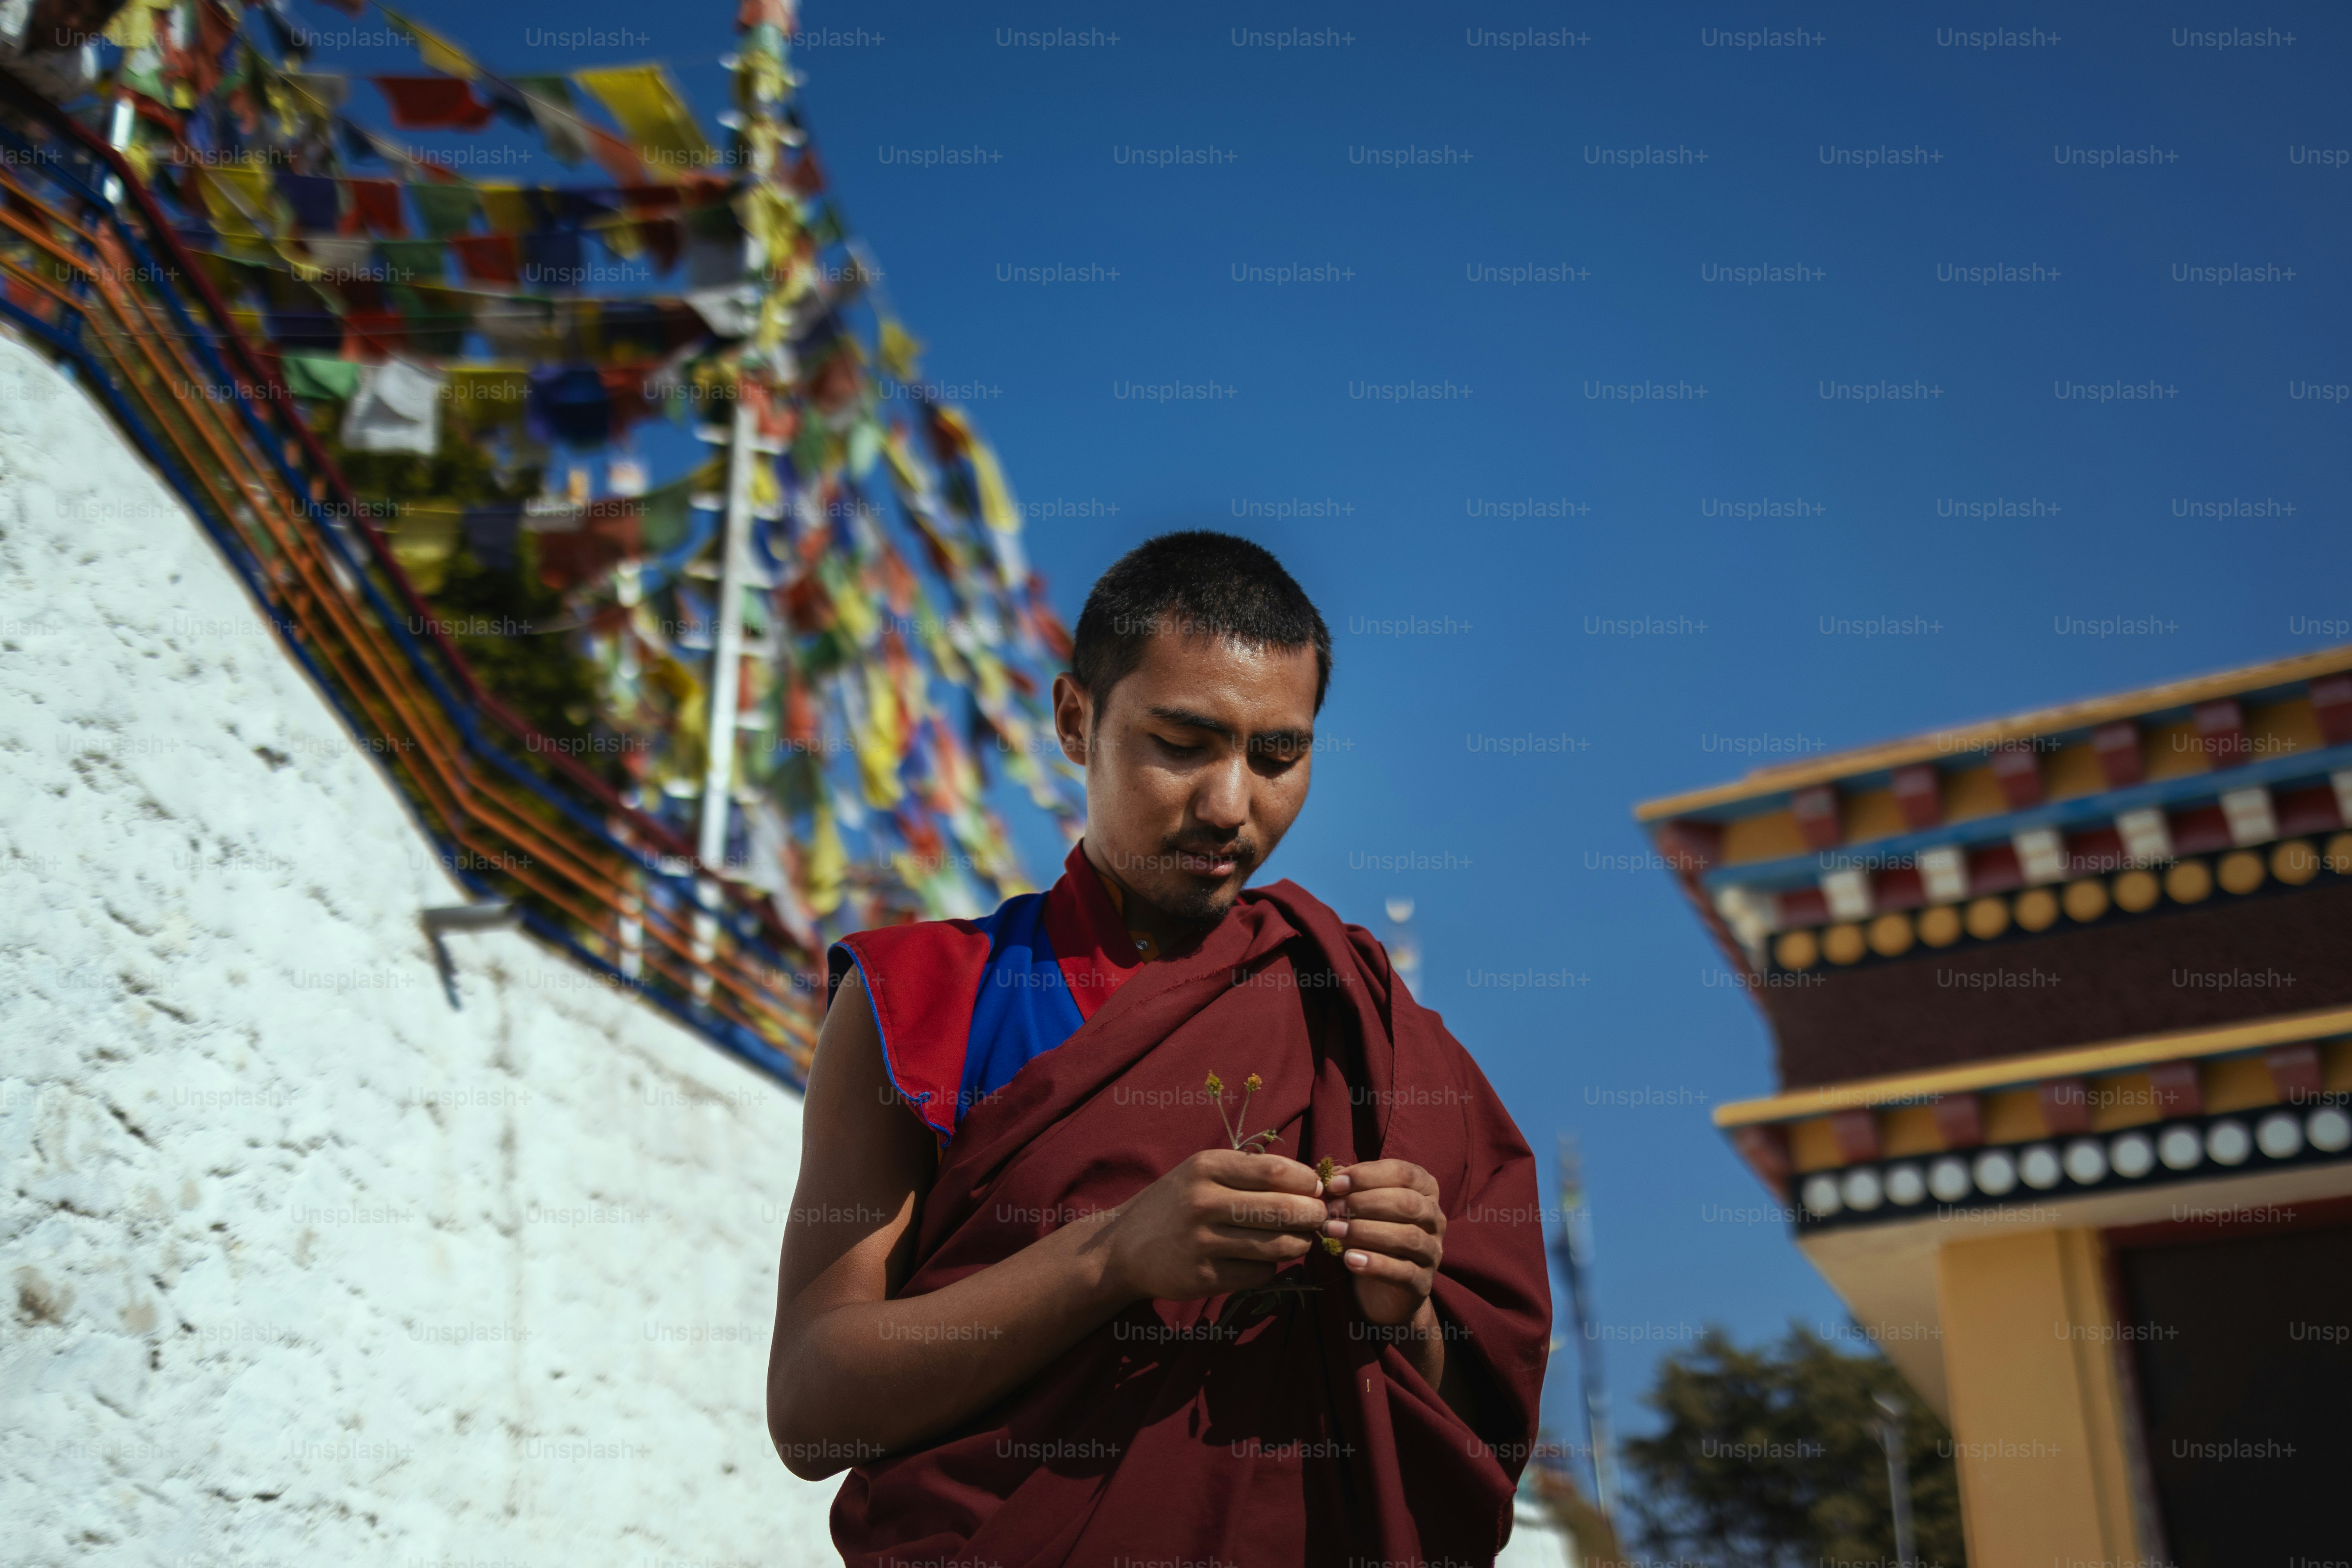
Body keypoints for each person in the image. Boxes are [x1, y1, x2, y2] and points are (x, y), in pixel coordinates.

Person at [766, 531, 1550, 1566]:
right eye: (1183, 743)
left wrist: (1401, 1318)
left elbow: (1477, 1445)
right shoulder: (925, 999)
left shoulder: (1362, 1022)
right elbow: (816, 1406)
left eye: (1278, 755)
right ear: (1075, 718)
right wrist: (1110, 1255)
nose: (1232, 806)